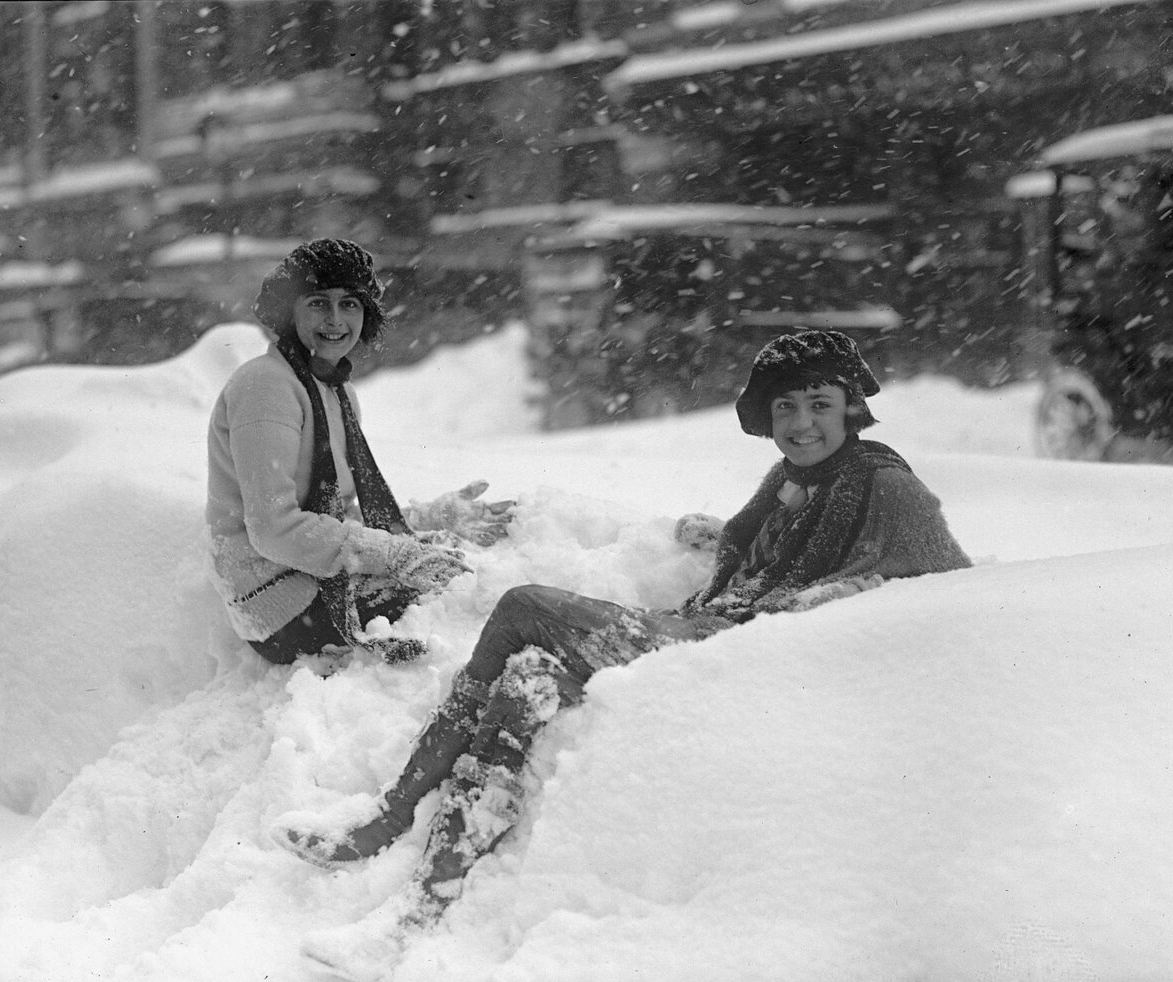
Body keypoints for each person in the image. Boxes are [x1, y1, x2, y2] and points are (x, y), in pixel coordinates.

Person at [276, 329, 972, 953]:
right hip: (714, 631)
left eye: (820, 404)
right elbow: (753, 551)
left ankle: (391, 814)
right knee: (526, 685)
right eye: (786, 407)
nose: (802, 423)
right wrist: (719, 536)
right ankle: (421, 907)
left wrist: (841, 597)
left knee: (524, 606)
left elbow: (950, 582)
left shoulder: (887, 486)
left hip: (727, 653)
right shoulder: (791, 480)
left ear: (852, 405)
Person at [205, 238, 513, 667]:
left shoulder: (335, 390)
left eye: (350, 303)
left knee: (458, 574)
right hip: (279, 602)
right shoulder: (266, 387)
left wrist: (427, 520)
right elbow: (273, 530)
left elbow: (330, 515)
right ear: (288, 311)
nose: (335, 320)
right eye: (318, 303)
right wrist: (396, 552)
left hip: (312, 577)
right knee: (463, 600)